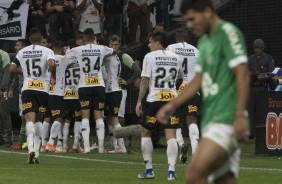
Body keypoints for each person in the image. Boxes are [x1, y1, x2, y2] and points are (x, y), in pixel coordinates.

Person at [157, 0, 249, 183]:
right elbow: (197, 80)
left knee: (195, 172)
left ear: (207, 12)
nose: (189, 25)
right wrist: (173, 103)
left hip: (227, 117)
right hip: (212, 117)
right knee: (223, 178)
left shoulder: (227, 33)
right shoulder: (204, 41)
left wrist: (239, 115)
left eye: (192, 19)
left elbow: (242, 74)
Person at [136, 32, 182, 180]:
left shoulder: (149, 57)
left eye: (150, 42)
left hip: (154, 99)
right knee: (171, 135)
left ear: (157, 43)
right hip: (171, 100)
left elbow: (145, 81)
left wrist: (139, 101)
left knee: (146, 132)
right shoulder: (176, 57)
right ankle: (171, 171)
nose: (148, 45)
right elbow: (179, 79)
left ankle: (149, 170)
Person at [10, 28, 55, 164]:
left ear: (29, 39)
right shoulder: (48, 51)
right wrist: (53, 76)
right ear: (41, 39)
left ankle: (30, 150)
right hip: (43, 89)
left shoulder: (22, 51)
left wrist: (22, 73)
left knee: (29, 119)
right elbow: (52, 64)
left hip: (28, 87)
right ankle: (37, 153)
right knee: (39, 121)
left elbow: (11, 69)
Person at [67, 28, 115, 153]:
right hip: (98, 85)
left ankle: (87, 148)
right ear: (94, 38)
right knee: (99, 116)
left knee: (85, 118)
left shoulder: (77, 49)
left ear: (83, 39)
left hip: (84, 86)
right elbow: (113, 51)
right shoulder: (102, 48)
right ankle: (100, 148)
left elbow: (67, 54)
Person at [167, 29, 200, 163]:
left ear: (176, 39)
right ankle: (196, 152)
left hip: (175, 91)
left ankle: (181, 144)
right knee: (192, 120)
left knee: (175, 121)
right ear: (188, 39)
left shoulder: (171, 48)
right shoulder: (197, 51)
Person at [104, 35, 141, 153]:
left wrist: (128, 81)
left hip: (119, 90)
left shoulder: (123, 56)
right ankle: (114, 146)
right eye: (112, 44)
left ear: (119, 45)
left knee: (116, 118)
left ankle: (121, 146)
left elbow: (137, 70)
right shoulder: (106, 55)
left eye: (116, 44)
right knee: (109, 118)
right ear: (108, 44)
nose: (114, 47)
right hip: (109, 89)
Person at [45, 41, 71, 152]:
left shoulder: (47, 59)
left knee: (47, 118)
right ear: (61, 49)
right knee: (59, 117)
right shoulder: (63, 59)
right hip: (57, 92)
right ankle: (50, 143)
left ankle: (43, 144)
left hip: (46, 91)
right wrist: (67, 52)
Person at [248, 38, 275, 138]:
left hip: (261, 88)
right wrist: (251, 74)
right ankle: (251, 133)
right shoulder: (250, 59)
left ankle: (261, 133)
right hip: (251, 88)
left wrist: (259, 75)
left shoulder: (268, 58)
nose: (257, 50)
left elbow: (271, 73)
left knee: (261, 111)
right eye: (255, 48)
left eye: (259, 48)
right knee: (250, 111)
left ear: (263, 48)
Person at [10, 39, 30, 150]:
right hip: (23, 89)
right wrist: (12, 88)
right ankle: (24, 141)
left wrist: (23, 72)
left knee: (25, 116)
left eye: (18, 45)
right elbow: (17, 77)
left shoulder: (23, 57)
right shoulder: (20, 58)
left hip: (26, 89)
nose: (15, 47)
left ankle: (23, 141)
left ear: (24, 47)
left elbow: (13, 70)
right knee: (24, 116)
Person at [0, 49, 12, 147]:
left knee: (4, 114)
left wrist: (2, 88)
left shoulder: (3, 54)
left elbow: (6, 72)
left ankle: (7, 139)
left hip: (1, 90)